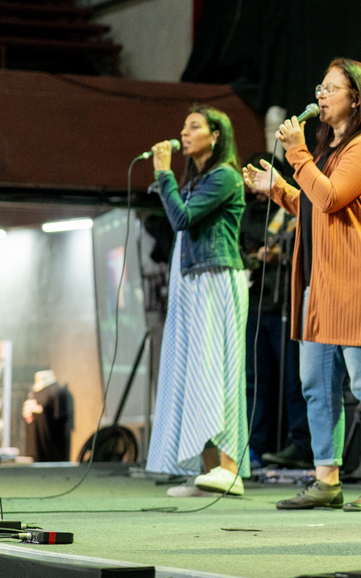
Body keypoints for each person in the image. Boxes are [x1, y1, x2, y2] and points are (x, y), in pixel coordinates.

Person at [244, 59, 361, 512]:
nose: (321, 94)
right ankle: (325, 478)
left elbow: (332, 197)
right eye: (321, 86)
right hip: (322, 283)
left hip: (360, 280)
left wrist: (295, 154)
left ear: (357, 98)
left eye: (332, 88)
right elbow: (317, 203)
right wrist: (277, 188)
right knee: (315, 382)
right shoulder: (331, 152)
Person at [146, 106, 250, 496]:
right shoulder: (200, 179)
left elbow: (182, 219)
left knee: (217, 371)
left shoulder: (224, 176)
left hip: (215, 279)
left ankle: (229, 467)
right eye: (183, 126)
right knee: (195, 376)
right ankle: (209, 472)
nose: (184, 134)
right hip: (193, 282)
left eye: (194, 127)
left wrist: (163, 174)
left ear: (216, 136)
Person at [239, 155, 313, 471]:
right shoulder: (249, 213)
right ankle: (255, 448)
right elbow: (240, 251)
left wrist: (280, 251)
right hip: (256, 305)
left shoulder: (292, 207)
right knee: (256, 382)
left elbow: (309, 243)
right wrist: (255, 256)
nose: (256, 187)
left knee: (295, 380)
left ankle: (300, 445)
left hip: (285, 304)